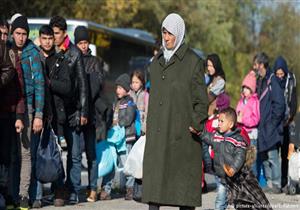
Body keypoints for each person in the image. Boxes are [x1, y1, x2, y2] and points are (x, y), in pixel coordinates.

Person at [142, 13, 208, 210]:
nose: (167, 37)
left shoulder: (193, 62)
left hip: (183, 137)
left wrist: (195, 124)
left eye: (171, 33)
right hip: (159, 135)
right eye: (164, 32)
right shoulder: (156, 62)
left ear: (179, 34)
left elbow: (201, 101)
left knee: (183, 192)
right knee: (155, 190)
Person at [49, 16, 89, 205]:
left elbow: (83, 85)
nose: (53, 37)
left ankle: (73, 190)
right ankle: (59, 189)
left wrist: (83, 112)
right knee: (55, 152)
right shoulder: (49, 51)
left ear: (64, 33)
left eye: (56, 33)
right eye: (52, 33)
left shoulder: (74, 53)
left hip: (73, 110)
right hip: (55, 112)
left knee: (74, 154)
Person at [200, 107, 272, 210]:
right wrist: (199, 132)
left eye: (221, 121)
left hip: (236, 178)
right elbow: (207, 137)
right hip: (222, 177)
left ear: (230, 124)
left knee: (243, 201)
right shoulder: (217, 136)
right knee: (220, 200)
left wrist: (233, 169)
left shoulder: (237, 139)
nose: (218, 123)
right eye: (218, 121)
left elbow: (240, 156)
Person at [10, 15, 45, 210]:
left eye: (24, 34)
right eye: (17, 33)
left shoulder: (33, 53)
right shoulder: (7, 49)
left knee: (25, 154)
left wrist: (38, 114)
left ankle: (23, 195)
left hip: (28, 109)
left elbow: (39, 85)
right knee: (11, 154)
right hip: (9, 108)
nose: (21, 38)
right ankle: (10, 194)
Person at [74, 25, 106, 202]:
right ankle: (76, 188)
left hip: (91, 115)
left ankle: (93, 187)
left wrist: (82, 103)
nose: (84, 46)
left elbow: (95, 87)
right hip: (76, 114)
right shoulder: (71, 58)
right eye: (80, 43)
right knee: (76, 154)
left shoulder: (95, 62)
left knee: (91, 153)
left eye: (86, 42)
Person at [100, 73, 137, 201]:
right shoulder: (115, 102)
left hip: (126, 138)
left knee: (126, 164)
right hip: (114, 138)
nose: (117, 90)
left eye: (120, 88)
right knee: (110, 164)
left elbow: (129, 119)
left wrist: (118, 122)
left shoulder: (130, 103)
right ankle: (106, 189)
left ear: (127, 89)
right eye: (117, 88)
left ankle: (130, 189)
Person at [254, 52, 285, 194]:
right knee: (264, 156)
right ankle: (269, 182)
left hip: (271, 125)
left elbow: (280, 105)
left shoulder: (272, 81)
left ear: (262, 64)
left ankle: (277, 184)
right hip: (262, 126)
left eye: (256, 64)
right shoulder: (260, 81)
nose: (254, 67)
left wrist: (272, 123)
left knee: (273, 156)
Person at [0, 39, 24, 209]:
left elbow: (10, 72)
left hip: (6, 112)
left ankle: (8, 195)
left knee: (8, 156)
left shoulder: (7, 51)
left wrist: (18, 115)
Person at [273, 56, 297, 188]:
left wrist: (290, 117)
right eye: (277, 74)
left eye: (282, 74)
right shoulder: (272, 81)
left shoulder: (291, 80)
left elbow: (293, 100)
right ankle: (277, 181)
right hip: (275, 122)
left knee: (286, 154)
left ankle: (286, 180)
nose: (280, 77)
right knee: (274, 153)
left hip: (287, 121)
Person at [203, 93, 230, 210]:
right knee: (221, 185)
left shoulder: (216, 122)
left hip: (224, 161)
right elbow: (208, 139)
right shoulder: (216, 122)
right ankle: (222, 205)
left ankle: (221, 206)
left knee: (222, 187)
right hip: (216, 160)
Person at [236, 70, 260, 177]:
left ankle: (253, 180)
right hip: (242, 133)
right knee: (243, 159)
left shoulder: (255, 101)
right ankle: (245, 180)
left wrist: (243, 120)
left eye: (248, 88)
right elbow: (237, 114)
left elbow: (256, 119)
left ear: (252, 90)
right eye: (244, 87)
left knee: (251, 160)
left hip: (251, 134)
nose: (245, 90)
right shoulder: (241, 101)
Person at [129, 70, 149, 136]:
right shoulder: (129, 94)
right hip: (130, 129)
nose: (134, 84)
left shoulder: (145, 95)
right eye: (133, 82)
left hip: (141, 129)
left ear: (141, 83)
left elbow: (147, 113)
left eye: (136, 82)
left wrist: (144, 129)